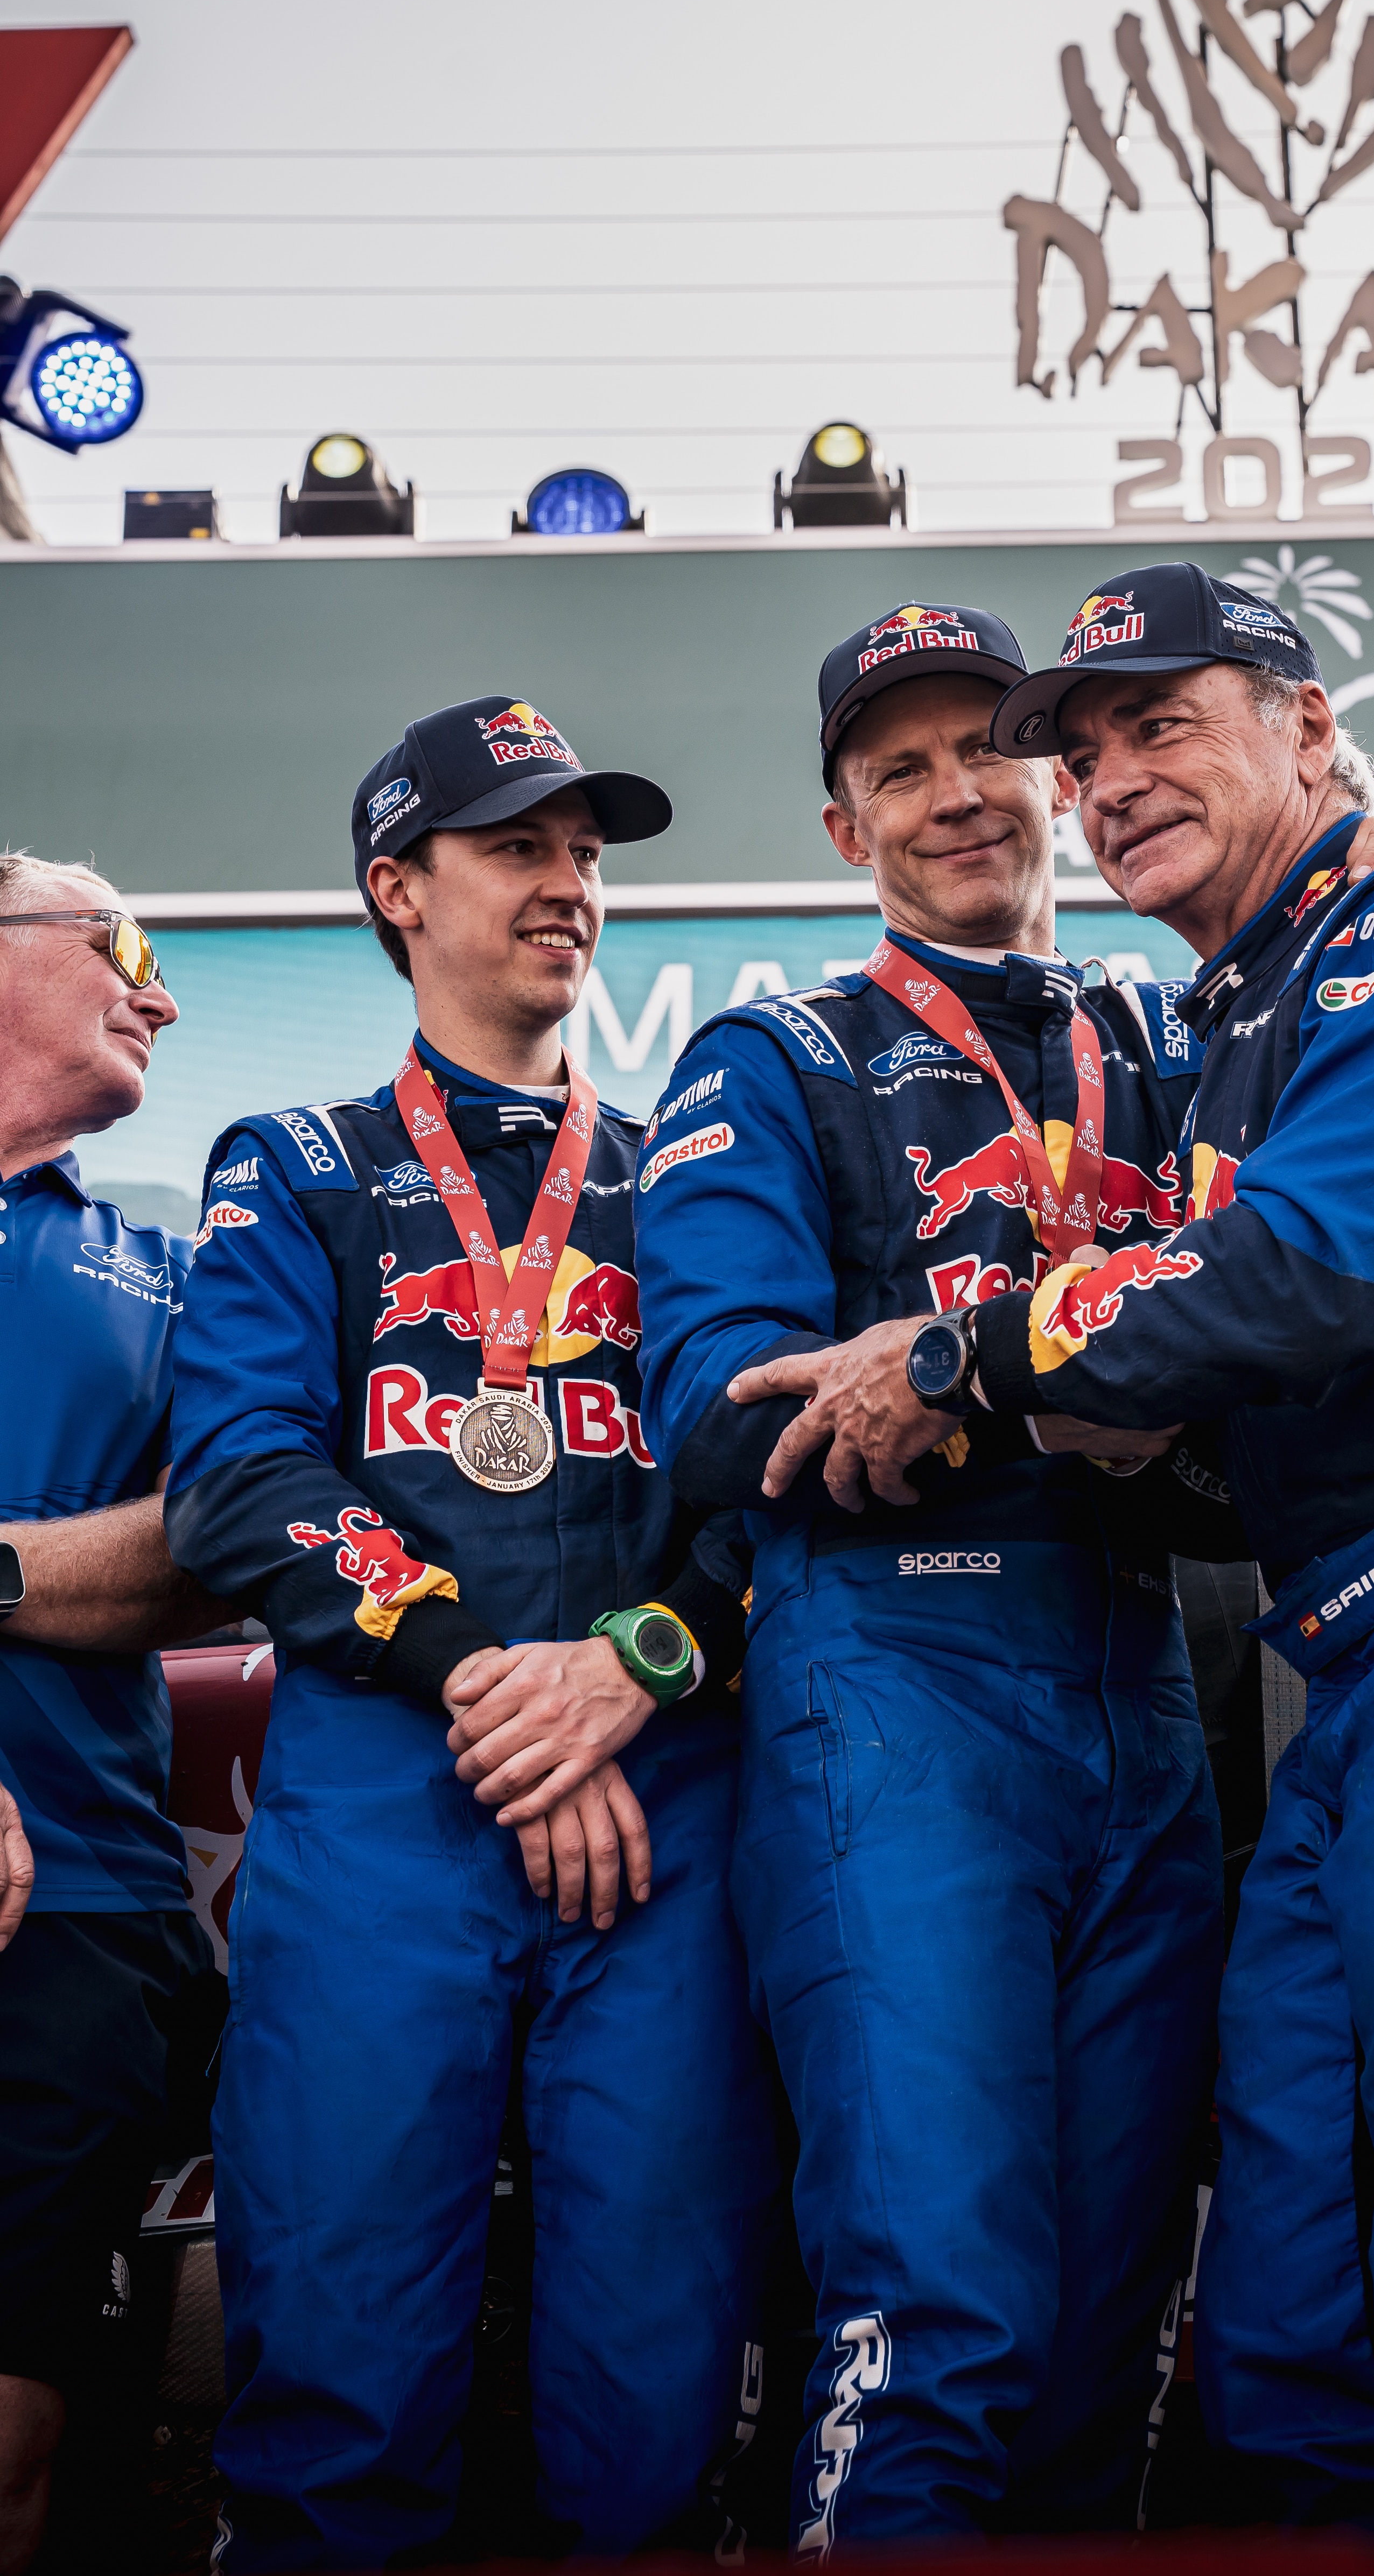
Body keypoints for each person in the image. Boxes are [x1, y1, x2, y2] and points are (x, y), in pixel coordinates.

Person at [731, 562, 1374, 2530]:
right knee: (1284, 2355)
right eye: (1088, 745)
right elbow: (1206, 1404)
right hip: (1368, 1682)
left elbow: (1297, 1278)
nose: (1109, 775)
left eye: (1165, 721)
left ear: (1313, 730)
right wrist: (1089, 1406)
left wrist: (965, 1347)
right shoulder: (1227, 1028)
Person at [606, 596, 1374, 2547]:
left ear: (1062, 777)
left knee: (1124, 2333)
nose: (959, 800)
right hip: (896, 1688)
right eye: (898, 772)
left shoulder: (1176, 1038)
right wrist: (1029, 1386)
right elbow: (710, 1401)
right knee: (940, 2317)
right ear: (847, 831)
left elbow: (1288, 1303)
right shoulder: (775, 1054)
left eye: (987, 755)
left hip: (1157, 1703)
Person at [163, 699, 781, 2572]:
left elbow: (759, 1483)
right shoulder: (295, 1162)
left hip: (661, 1805)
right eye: (520, 847)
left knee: (658, 2395)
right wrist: (492, 1688)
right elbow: (239, 1482)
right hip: (386, 1806)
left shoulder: (696, 1168)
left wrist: (636, 1672)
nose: (571, 887)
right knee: (339, 2369)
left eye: (589, 854)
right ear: (397, 890)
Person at [0, 856, 227, 2576]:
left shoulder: (159, 1261)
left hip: (82, 1908)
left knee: (20, 2430)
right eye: (126, 945)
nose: (158, 993)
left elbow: (209, 1545)